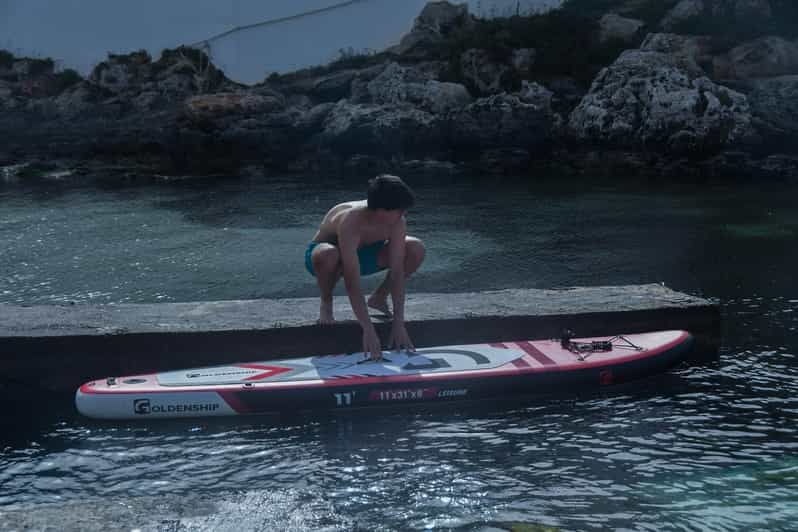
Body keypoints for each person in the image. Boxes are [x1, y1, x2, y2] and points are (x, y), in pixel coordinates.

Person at [305, 174, 425, 361]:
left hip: (366, 255)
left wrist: (399, 323)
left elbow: (397, 271)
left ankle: (378, 298)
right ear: (380, 211)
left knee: (416, 248)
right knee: (328, 254)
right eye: (399, 210)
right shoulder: (351, 220)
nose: (403, 214)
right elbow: (352, 281)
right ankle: (326, 302)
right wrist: (367, 329)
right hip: (326, 259)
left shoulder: (397, 221)